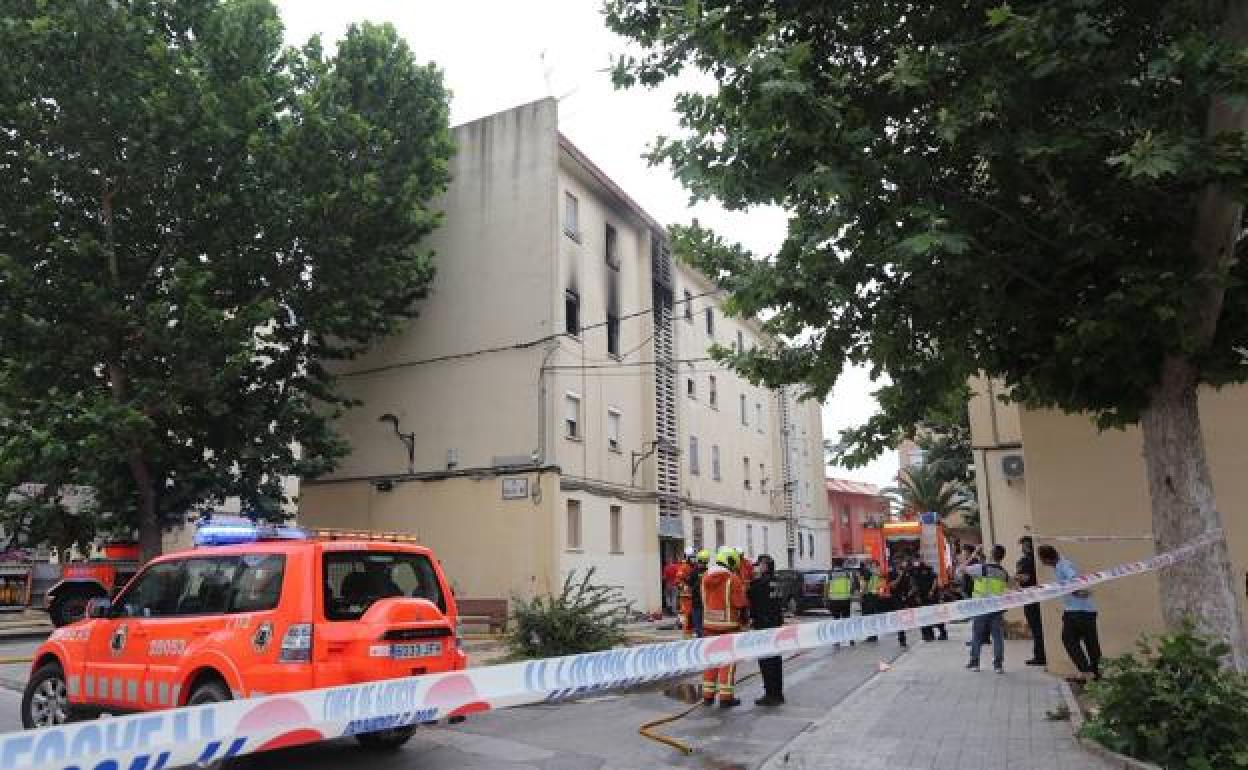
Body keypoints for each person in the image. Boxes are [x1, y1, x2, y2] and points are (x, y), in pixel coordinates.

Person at [1038, 544, 1101, 682]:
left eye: (1041, 559)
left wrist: (1076, 591)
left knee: (1068, 639)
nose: (1041, 562)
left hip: (1076, 611)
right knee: (1090, 643)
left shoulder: (1064, 565)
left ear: (1047, 559)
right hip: (1085, 611)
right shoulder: (1062, 564)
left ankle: (1086, 671)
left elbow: (1073, 579)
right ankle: (1095, 673)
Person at [701, 547, 749, 707]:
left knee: (711, 661)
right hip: (728, 626)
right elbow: (739, 603)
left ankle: (707, 696)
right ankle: (725, 698)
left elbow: (703, 600)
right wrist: (744, 620)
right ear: (730, 561)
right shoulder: (732, 579)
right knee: (727, 663)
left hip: (708, 625)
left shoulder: (706, 577)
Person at [964, 545, 1010, 673]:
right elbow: (1014, 586)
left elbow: (961, 570)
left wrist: (974, 554)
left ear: (991, 554)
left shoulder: (982, 568)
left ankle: (975, 663)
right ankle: (998, 666)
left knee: (977, 636)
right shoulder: (1003, 572)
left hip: (981, 608)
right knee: (997, 637)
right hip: (996, 609)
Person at [748, 553, 785, 705]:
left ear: (765, 566)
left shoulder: (760, 583)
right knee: (776, 661)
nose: (757, 567)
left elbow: (750, 597)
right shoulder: (777, 582)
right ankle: (778, 693)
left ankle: (770, 695)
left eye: (759, 565)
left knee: (766, 662)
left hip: (764, 626)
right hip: (776, 625)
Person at [1016, 536, 1046, 666]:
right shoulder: (1036, 559)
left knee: (1036, 627)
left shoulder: (1027, 561)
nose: (1021, 548)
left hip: (1030, 597)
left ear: (1027, 546)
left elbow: (1025, 578)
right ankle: (1041, 655)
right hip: (1038, 596)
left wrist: (1016, 577)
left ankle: (1040, 656)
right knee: (1039, 627)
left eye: (1022, 545)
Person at [860, 559, 889, 643]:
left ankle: (871, 636)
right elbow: (883, 585)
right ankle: (873, 635)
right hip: (875, 596)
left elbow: (864, 586)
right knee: (873, 616)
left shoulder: (869, 573)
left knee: (868, 617)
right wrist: (880, 593)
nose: (869, 566)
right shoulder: (880, 573)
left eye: (871, 564)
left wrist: (861, 595)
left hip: (869, 596)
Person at [686, 549, 710, 638]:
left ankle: (700, 635)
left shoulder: (696, 571)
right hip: (699, 601)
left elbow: (689, 584)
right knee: (698, 621)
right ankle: (700, 634)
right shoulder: (707, 572)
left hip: (701, 601)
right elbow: (689, 584)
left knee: (700, 622)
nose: (701, 564)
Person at [675, 549, 695, 637]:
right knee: (687, 614)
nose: (693, 559)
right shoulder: (683, 567)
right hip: (686, 596)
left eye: (694, 557)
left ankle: (690, 631)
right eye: (692, 558)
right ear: (687, 557)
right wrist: (684, 586)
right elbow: (678, 581)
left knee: (691, 615)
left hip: (692, 595)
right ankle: (687, 633)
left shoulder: (693, 566)